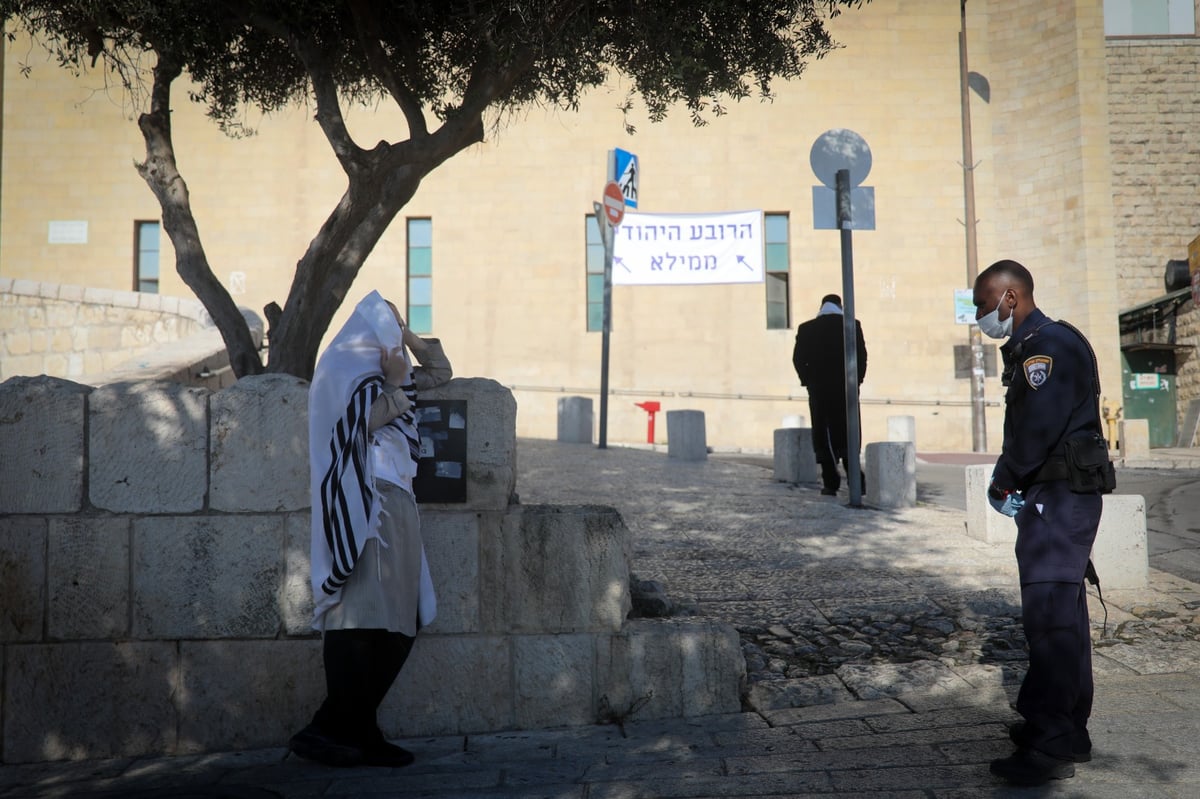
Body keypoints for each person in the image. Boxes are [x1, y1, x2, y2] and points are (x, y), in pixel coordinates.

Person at [289, 290, 452, 768]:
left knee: (404, 619)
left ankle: (354, 728)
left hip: (397, 502)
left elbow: (441, 372)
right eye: (390, 324)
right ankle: (335, 728)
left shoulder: (386, 374)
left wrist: (409, 338)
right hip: (361, 503)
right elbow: (349, 428)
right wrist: (397, 385)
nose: (395, 338)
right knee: (359, 618)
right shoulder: (340, 372)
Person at [974, 259, 1113, 786]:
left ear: (1010, 298)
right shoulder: (1039, 344)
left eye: (985, 306)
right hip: (1057, 498)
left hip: (1057, 498)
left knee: (1051, 621)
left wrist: (1002, 479)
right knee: (1063, 616)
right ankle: (1065, 727)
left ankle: (1051, 742)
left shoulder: (1045, 347)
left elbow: (1036, 430)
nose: (983, 317)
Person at [792, 293, 867, 495]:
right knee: (848, 429)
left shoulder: (806, 328)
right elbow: (861, 356)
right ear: (840, 305)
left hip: (819, 389)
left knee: (823, 431)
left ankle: (830, 482)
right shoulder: (852, 325)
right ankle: (855, 479)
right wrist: (857, 381)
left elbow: (798, 359)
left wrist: (807, 380)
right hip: (846, 389)